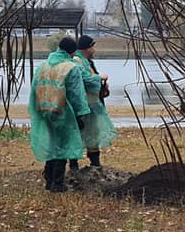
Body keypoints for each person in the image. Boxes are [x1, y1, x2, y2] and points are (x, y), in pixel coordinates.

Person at [29, 36, 90, 192]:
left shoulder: (43, 66)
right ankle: (58, 183)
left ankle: (49, 181)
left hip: (44, 110)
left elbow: (34, 88)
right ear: (73, 51)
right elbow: (76, 94)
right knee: (63, 146)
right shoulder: (71, 67)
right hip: (63, 111)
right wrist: (80, 114)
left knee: (51, 144)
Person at [71, 35, 118, 168]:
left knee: (93, 134)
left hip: (92, 105)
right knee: (79, 134)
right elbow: (85, 79)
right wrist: (99, 78)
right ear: (87, 48)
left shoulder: (87, 62)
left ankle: (95, 163)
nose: (94, 50)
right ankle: (74, 165)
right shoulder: (77, 62)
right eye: (93, 47)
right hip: (83, 107)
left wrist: (103, 86)